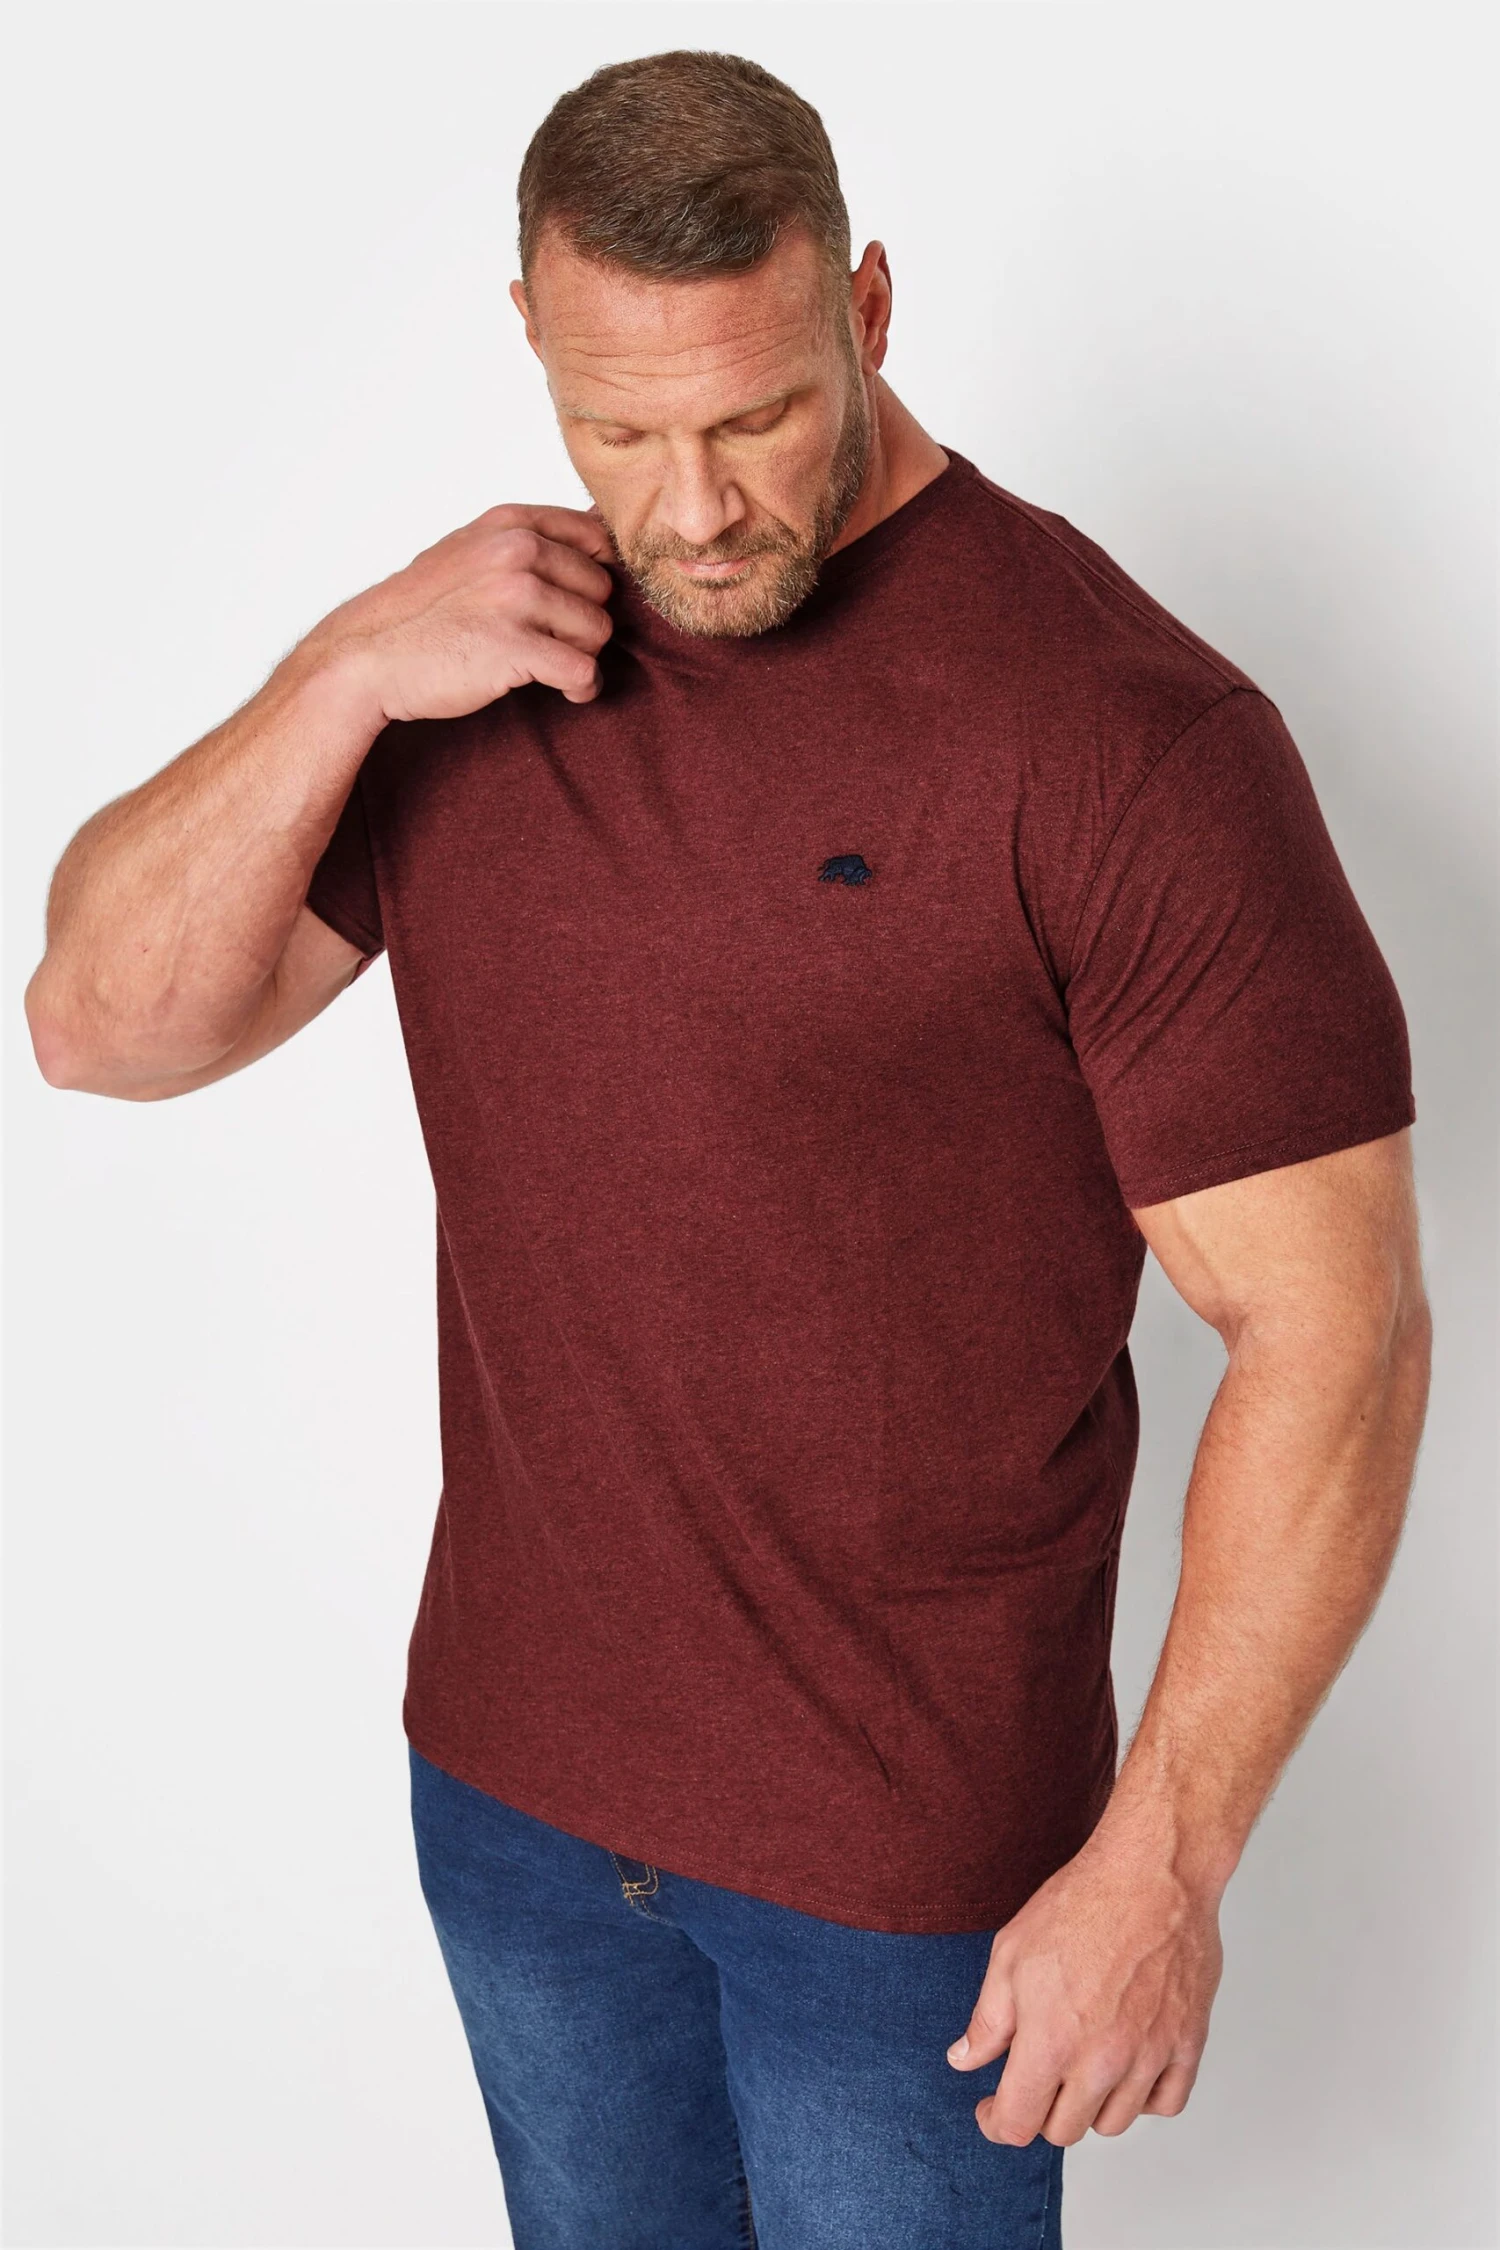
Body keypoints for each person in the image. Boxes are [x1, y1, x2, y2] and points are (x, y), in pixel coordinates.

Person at [24, 46, 1430, 2250]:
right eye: (619, 431)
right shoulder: (473, 670)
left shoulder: (1122, 740)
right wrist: (340, 671)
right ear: (530, 340)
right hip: (511, 1803)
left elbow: (1336, 1332)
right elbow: (94, 1026)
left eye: (758, 418)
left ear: (865, 308)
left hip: (904, 1880)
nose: (689, 511)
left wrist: (1163, 1861)